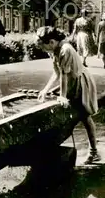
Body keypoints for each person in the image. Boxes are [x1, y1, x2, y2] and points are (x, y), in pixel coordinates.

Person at [36, 26, 101, 164]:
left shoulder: (65, 50)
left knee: (85, 116)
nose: (43, 50)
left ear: (52, 42)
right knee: (73, 113)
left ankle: (94, 152)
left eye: (44, 46)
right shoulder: (55, 50)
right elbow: (57, 73)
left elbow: (64, 75)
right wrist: (46, 90)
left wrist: (63, 96)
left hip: (80, 83)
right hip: (72, 81)